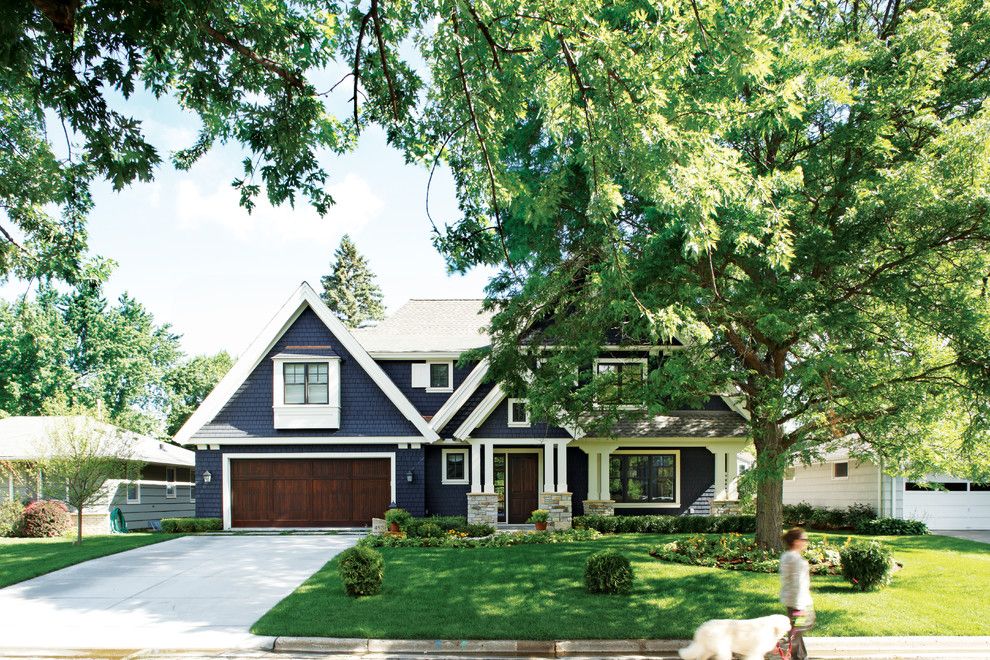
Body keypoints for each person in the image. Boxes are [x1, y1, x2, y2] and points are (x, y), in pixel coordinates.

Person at [779, 527, 815, 660]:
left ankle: (799, 656)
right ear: (795, 541)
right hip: (797, 603)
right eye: (803, 539)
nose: (806, 541)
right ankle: (799, 657)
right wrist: (800, 607)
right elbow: (797, 584)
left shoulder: (788, 556)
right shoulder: (794, 559)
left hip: (793, 601)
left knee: (796, 632)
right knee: (797, 631)